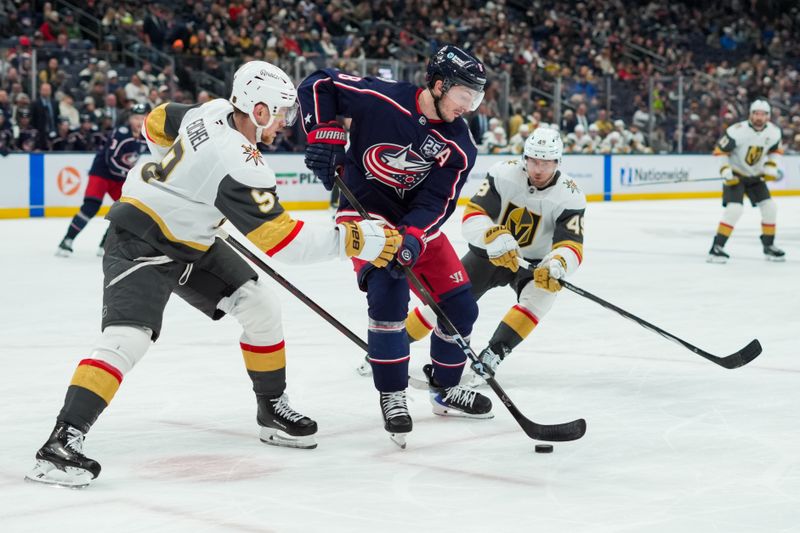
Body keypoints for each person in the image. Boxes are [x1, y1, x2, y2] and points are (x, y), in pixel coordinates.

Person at [26, 61, 399, 488]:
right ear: (258, 111)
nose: (285, 124)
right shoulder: (241, 163)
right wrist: (356, 239)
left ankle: (271, 409)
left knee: (260, 305)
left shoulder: (213, 110)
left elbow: (157, 120)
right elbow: (286, 243)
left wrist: (183, 182)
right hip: (142, 238)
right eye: (281, 113)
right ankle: (60, 444)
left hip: (193, 241)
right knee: (128, 337)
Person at [298, 45, 494, 447]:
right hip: (365, 214)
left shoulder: (459, 145)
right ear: (439, 85)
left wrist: (413, 235)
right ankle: (393, 395)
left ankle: (444, 388)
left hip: (416, 225)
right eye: (463, 96)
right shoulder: (381, 98)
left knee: (461, 306)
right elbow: (319, 84)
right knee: (388, 291)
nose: (468, 106)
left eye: (474, 98)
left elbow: (436, 202)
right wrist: (324, 132)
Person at [401, 129, 586, 386]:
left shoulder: (570, 194)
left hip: (534, 264)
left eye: (546, 162)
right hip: (490, 254)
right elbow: (473, 216)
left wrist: (557, 264)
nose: (538, 169)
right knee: (444, 303)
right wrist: (494, 237)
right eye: (533, 160)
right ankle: (394, 344)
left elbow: (571, 244)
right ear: (525, 157)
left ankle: (492, 355)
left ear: (558, 162)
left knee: (540, 298)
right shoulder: (504, 173)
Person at [56, 104, 150, 257]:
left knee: (127, 209)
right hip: (102, 172)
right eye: (136, 118)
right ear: (129, 119)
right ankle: (67, 241)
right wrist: (128, 173)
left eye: (142, 118)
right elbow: (111, 158)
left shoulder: (145, 137)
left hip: (119, 177)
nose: (139, 122)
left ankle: (105, 244)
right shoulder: (121, 133)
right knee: (90, 207)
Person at [708, 99, 785, 262]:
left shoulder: (774, 132)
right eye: (756, 114)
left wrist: (771, 166)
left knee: (770, 207)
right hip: (736, 176)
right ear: (750, 115)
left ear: (768, 117)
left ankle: (768, 246)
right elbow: (720, 151)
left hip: (756, 177)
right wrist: (725, 170)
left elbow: (775, 150)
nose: (759, 117)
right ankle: (716, 247)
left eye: (763, 115)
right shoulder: (737, 131)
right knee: (734, 210)